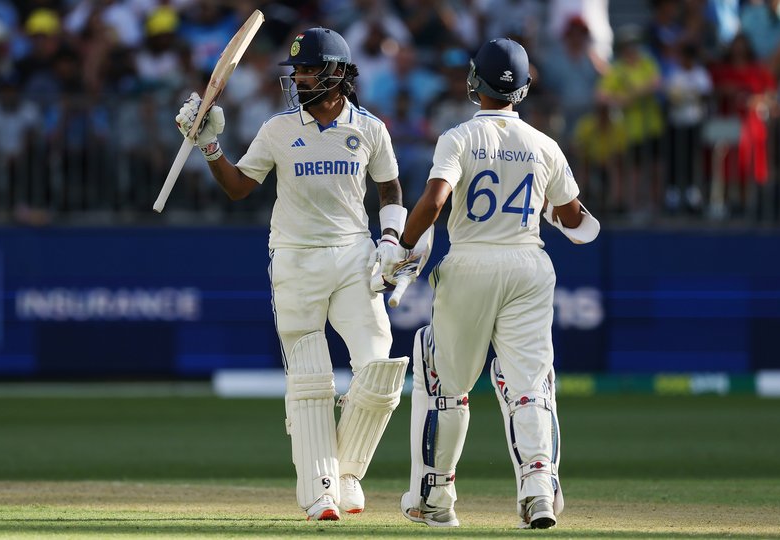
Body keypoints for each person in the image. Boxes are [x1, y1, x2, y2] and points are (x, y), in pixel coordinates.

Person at [174, 27, 409, 521]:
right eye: (297, 70)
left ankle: (346, 472)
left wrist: (390, 237)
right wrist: (209, 144)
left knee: (379, 370)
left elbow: (389, 190)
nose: (299, 78)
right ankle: (321, 491)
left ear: (338, 74)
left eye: (309, 70)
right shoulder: (278, 129)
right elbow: (239, 187)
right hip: (296, 258)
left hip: (353, 255)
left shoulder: (370, 128)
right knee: (310, 380)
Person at [380, 38, 600, 529]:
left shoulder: (458, 137)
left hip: (470, 263)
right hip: (529, 264)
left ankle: (434, 498)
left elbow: (435, 200)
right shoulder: (545, 144)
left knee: (444, 381)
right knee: (530, 384)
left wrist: (401, 245)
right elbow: (575, 221)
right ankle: (539, 491)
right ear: (523, 89)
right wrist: (545, 206)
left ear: (474, 82)